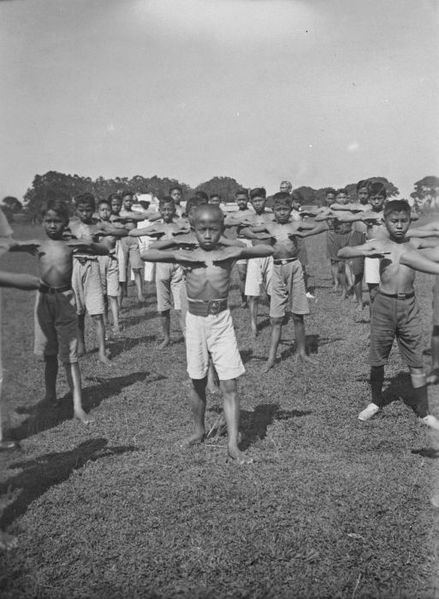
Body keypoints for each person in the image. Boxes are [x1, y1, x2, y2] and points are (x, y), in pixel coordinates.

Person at [141, 204, 274, 464]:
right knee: (197, 380)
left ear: (222, 230)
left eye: (214, 230)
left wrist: (230, 243)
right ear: (194, 230)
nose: (208, 235)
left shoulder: (229, 253)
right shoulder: (185, 255)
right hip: (195, 322)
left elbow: (268, 249)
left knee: (229, 384)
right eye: (202, 230)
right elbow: (148, 254)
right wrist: (183, 245)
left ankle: (233, 445)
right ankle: (199, 430)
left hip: (221, 321)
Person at [338, 200, 439, 429]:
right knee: (377, 360)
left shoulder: (415, 242)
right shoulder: (379, 243)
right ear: (384, 222)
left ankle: (424, 411)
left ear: (410, 221)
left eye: (404, 221)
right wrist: (366, 250)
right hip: (383, 306)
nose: (400, 226)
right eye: (394, 221)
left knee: (416, 362)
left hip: (409, 306)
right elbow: (342, 251)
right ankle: (375, 401)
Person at [27, 196, 98, 424]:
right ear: (42, 221)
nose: (52, 225)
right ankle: (50, 396)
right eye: (48, 221)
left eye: (57, 221)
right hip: (43, 300)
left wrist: (87, 243)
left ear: (66, 222)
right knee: (48, 354)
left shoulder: (71, 244)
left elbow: (104, 248)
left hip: (66, 300)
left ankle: (77, 406)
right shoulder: (37, 245)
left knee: (70, 356)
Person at [245, 193, 326, 371]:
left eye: (285, 209)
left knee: (298, 314)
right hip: (276, 269)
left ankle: (302, 353)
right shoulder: (269, 226)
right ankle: (271, 358)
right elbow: (245, 231)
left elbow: (321, 226)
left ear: (290, 210)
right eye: (278, 209)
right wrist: (251, 232)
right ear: (273, 210)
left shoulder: (295, 224)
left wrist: (304, 233)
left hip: (294, 267)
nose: (282, 212)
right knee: (275, 318)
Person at [129, 197, 188, 346]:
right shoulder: (156, 227)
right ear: (160, 211)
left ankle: (188, 337)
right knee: (163, 307)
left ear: (174, 211)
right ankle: (166, 337)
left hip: (177, 266)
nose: (167, 212)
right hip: (162, 265)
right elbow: (133, 232)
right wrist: (149, 233)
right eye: (164, 210)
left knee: (181, 306)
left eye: (170, 209)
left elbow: (192, 231)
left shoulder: (179, 225)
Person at [68, 193, 111, 364]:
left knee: (97, 312)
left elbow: (106, 247)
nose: (85, 214)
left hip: (92, 266)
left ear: (93, 210)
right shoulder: (70, 225)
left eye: (88, 210)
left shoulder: (97, 226)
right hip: (73, 266)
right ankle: (81, 345)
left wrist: (90, 245)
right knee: (77, 311)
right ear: (76, 210)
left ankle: (102, 351)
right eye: (81, 210)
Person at [234, 187, 274, 337]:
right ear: (251, 202)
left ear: (265, 200)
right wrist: (259, 233)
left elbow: (274, 231)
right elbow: (243, 231)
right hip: (255, 256)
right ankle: (253, 325)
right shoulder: (248, 218)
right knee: (253, 293)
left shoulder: (271, 216)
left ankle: (273, 317)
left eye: (260, 200)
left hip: (270, 256)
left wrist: (262, 233)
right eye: (255, 201)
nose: (258, 203)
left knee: (272, 291)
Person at [95, 199, 129, 335]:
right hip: (98, 260)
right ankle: (105, 320)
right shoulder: (96, 226)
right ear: (98, 211)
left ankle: (116, 323)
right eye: (102, 210)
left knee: (113, 294)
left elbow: (125, 231)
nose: (105, 212)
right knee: (102, 294)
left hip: (112, 259)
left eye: (108, 210)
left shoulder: (114, 227)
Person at [224, 189, 253, 307]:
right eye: (239, 200)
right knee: (242, 273)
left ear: (248, 200)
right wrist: (239, 221)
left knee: (254, 271)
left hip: (252, 242)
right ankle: (244, 299)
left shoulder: (252, 212)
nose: (241, 202)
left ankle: (254, 296)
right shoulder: (233, 214)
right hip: (240, 241)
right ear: (236, 200)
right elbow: (226, 223)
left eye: (244, 199)